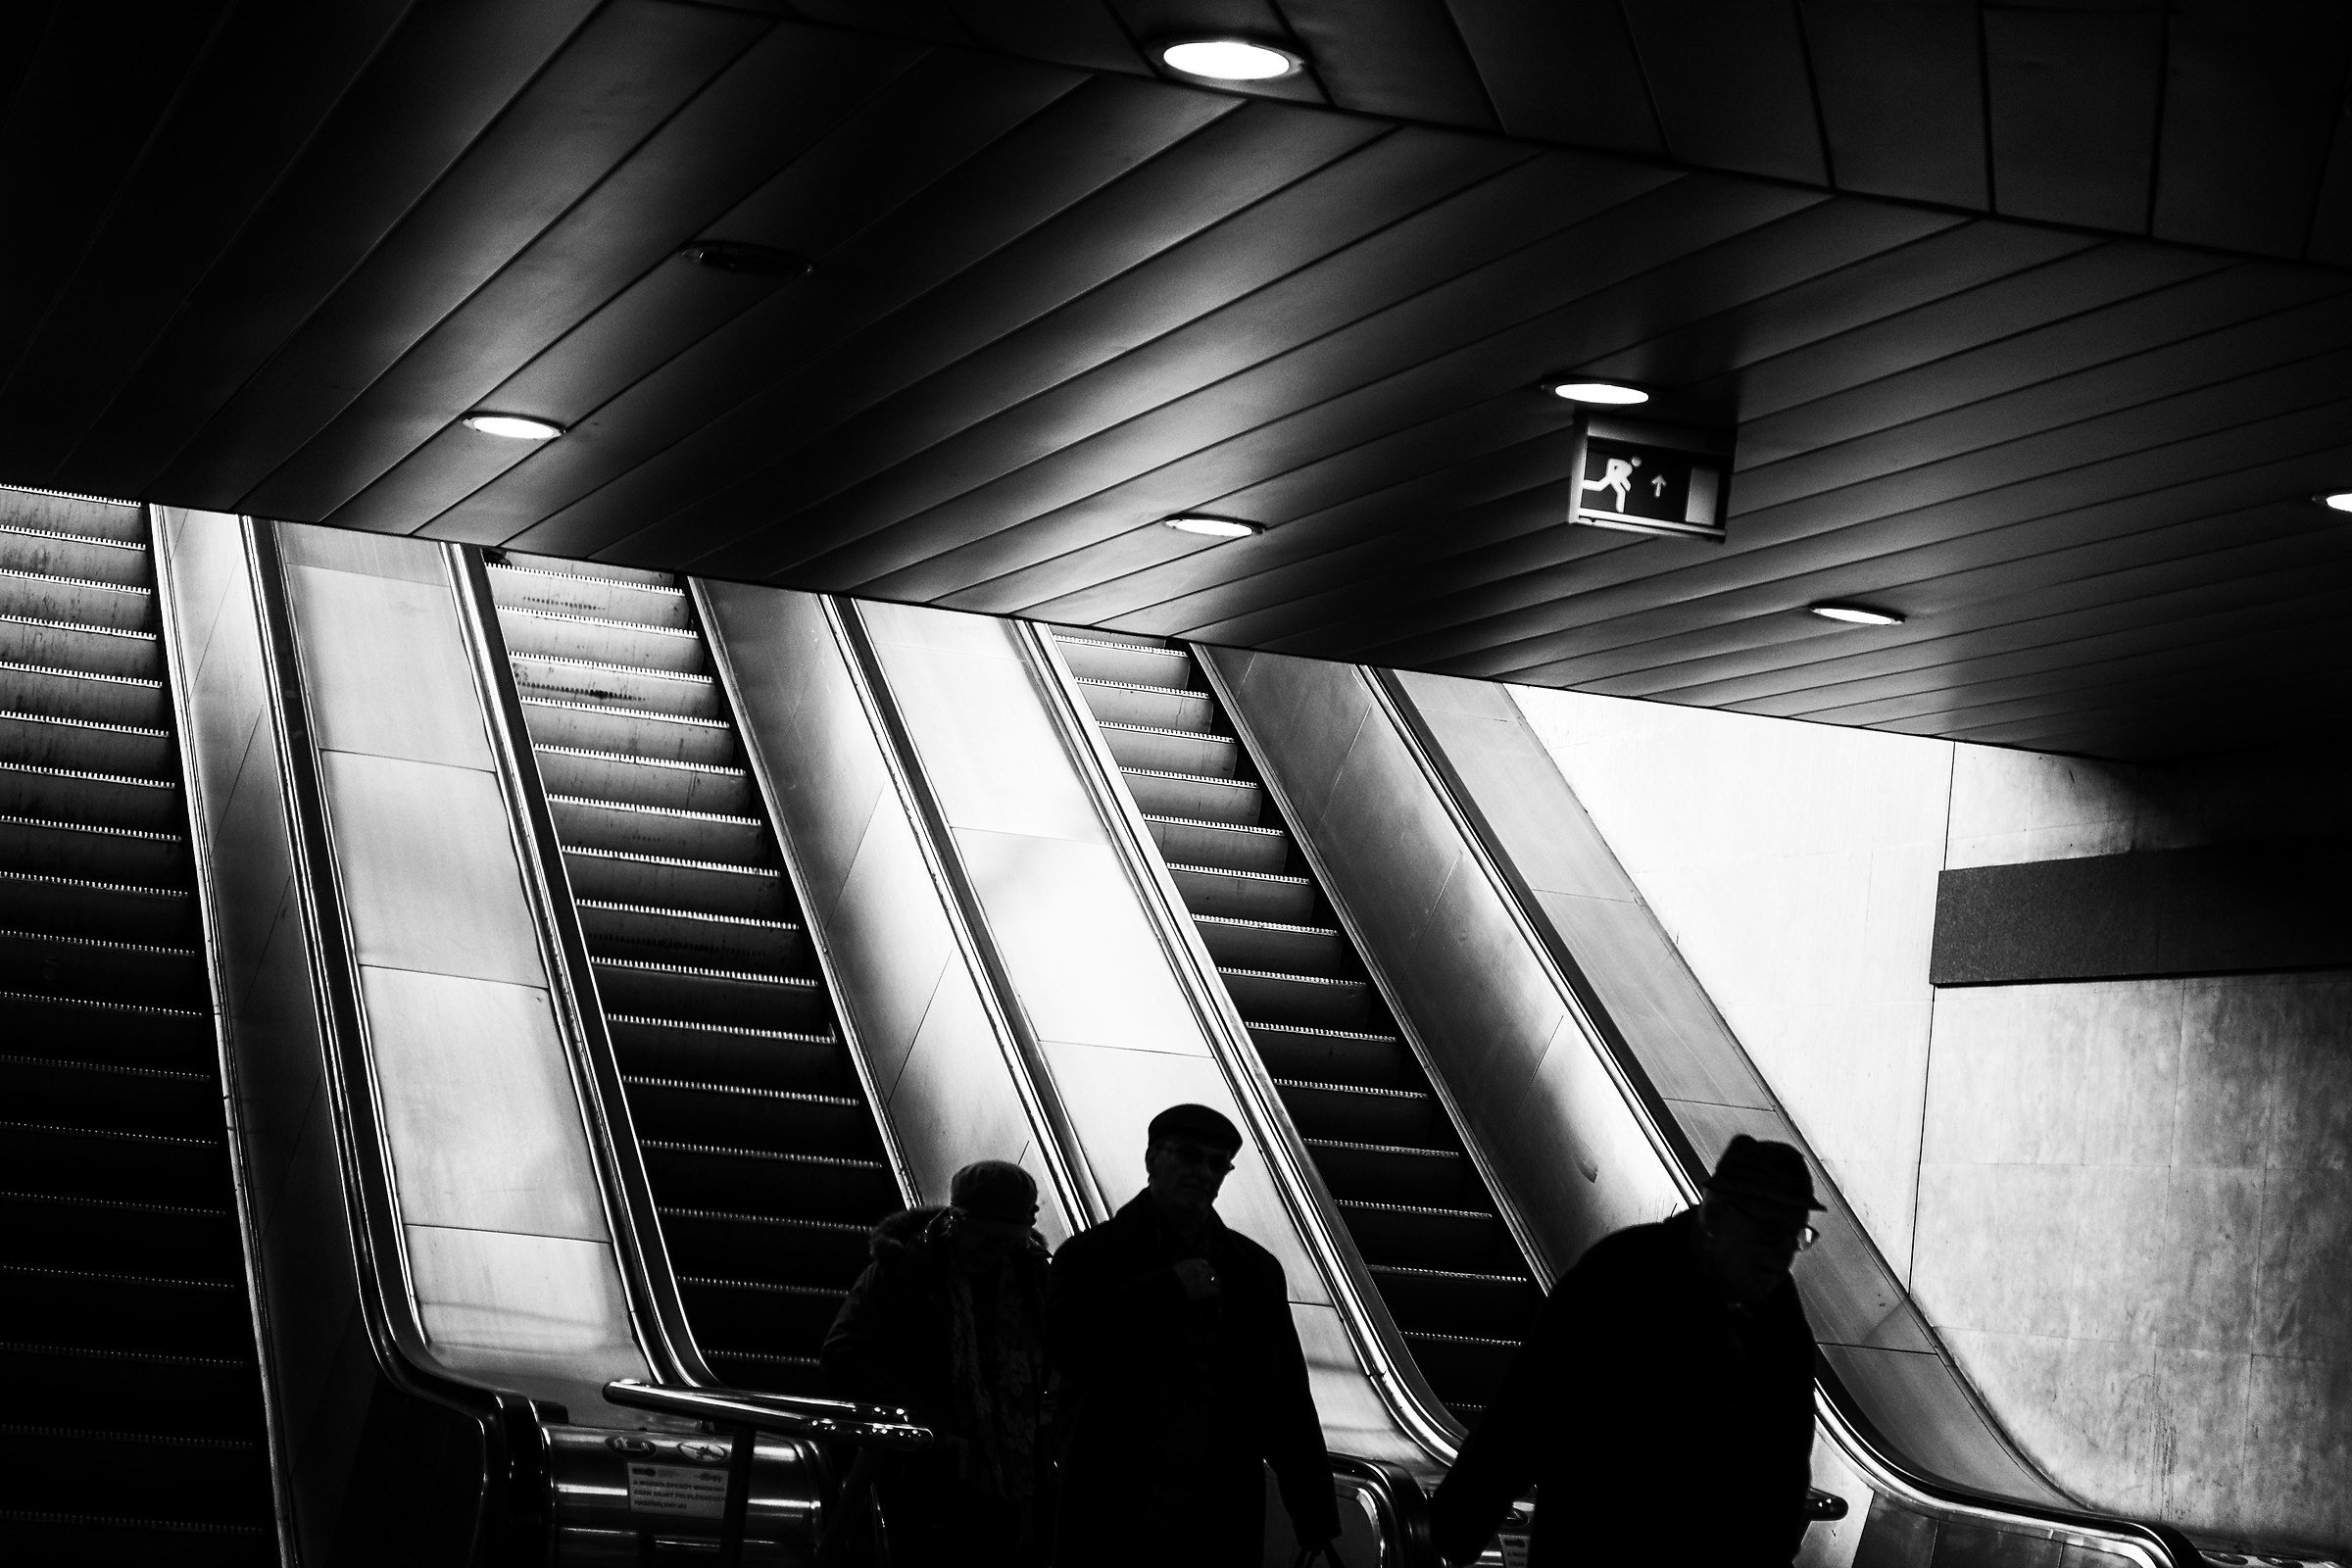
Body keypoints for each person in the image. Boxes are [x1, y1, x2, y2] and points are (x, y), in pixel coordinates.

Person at [1430, 1135, 1825, 1568]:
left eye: (1795, 1236)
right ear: (1715, 1217)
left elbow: (1787, 1454)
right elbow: (1528, 1408)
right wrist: (1456, 1530)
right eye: (1769, 1231)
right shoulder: (1623, 1276)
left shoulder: (1779, 1310)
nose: (1782, 1254)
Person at [1046, 1103, 1340, 1567]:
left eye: (1217, 1164)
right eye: (1188, 1156)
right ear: (1152, 1160)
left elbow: (1283, 1392)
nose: (1203, 1173)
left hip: (1216, 1504)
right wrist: (1166, 1289)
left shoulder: (1253, 1269)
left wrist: (1313, 1506)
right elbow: (1067, 1346)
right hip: (1116, 1498)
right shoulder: (1092, 1256)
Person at [821, 1159, 1053, 1568]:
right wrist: (927, 1421)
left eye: (1009, 1239)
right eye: (987, 1236)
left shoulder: (1033, 1278)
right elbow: (844, 1353)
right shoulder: (899, 1274)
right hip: (927, 1469)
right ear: (955, 1220)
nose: (996, 1250)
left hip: (1021, 1475)